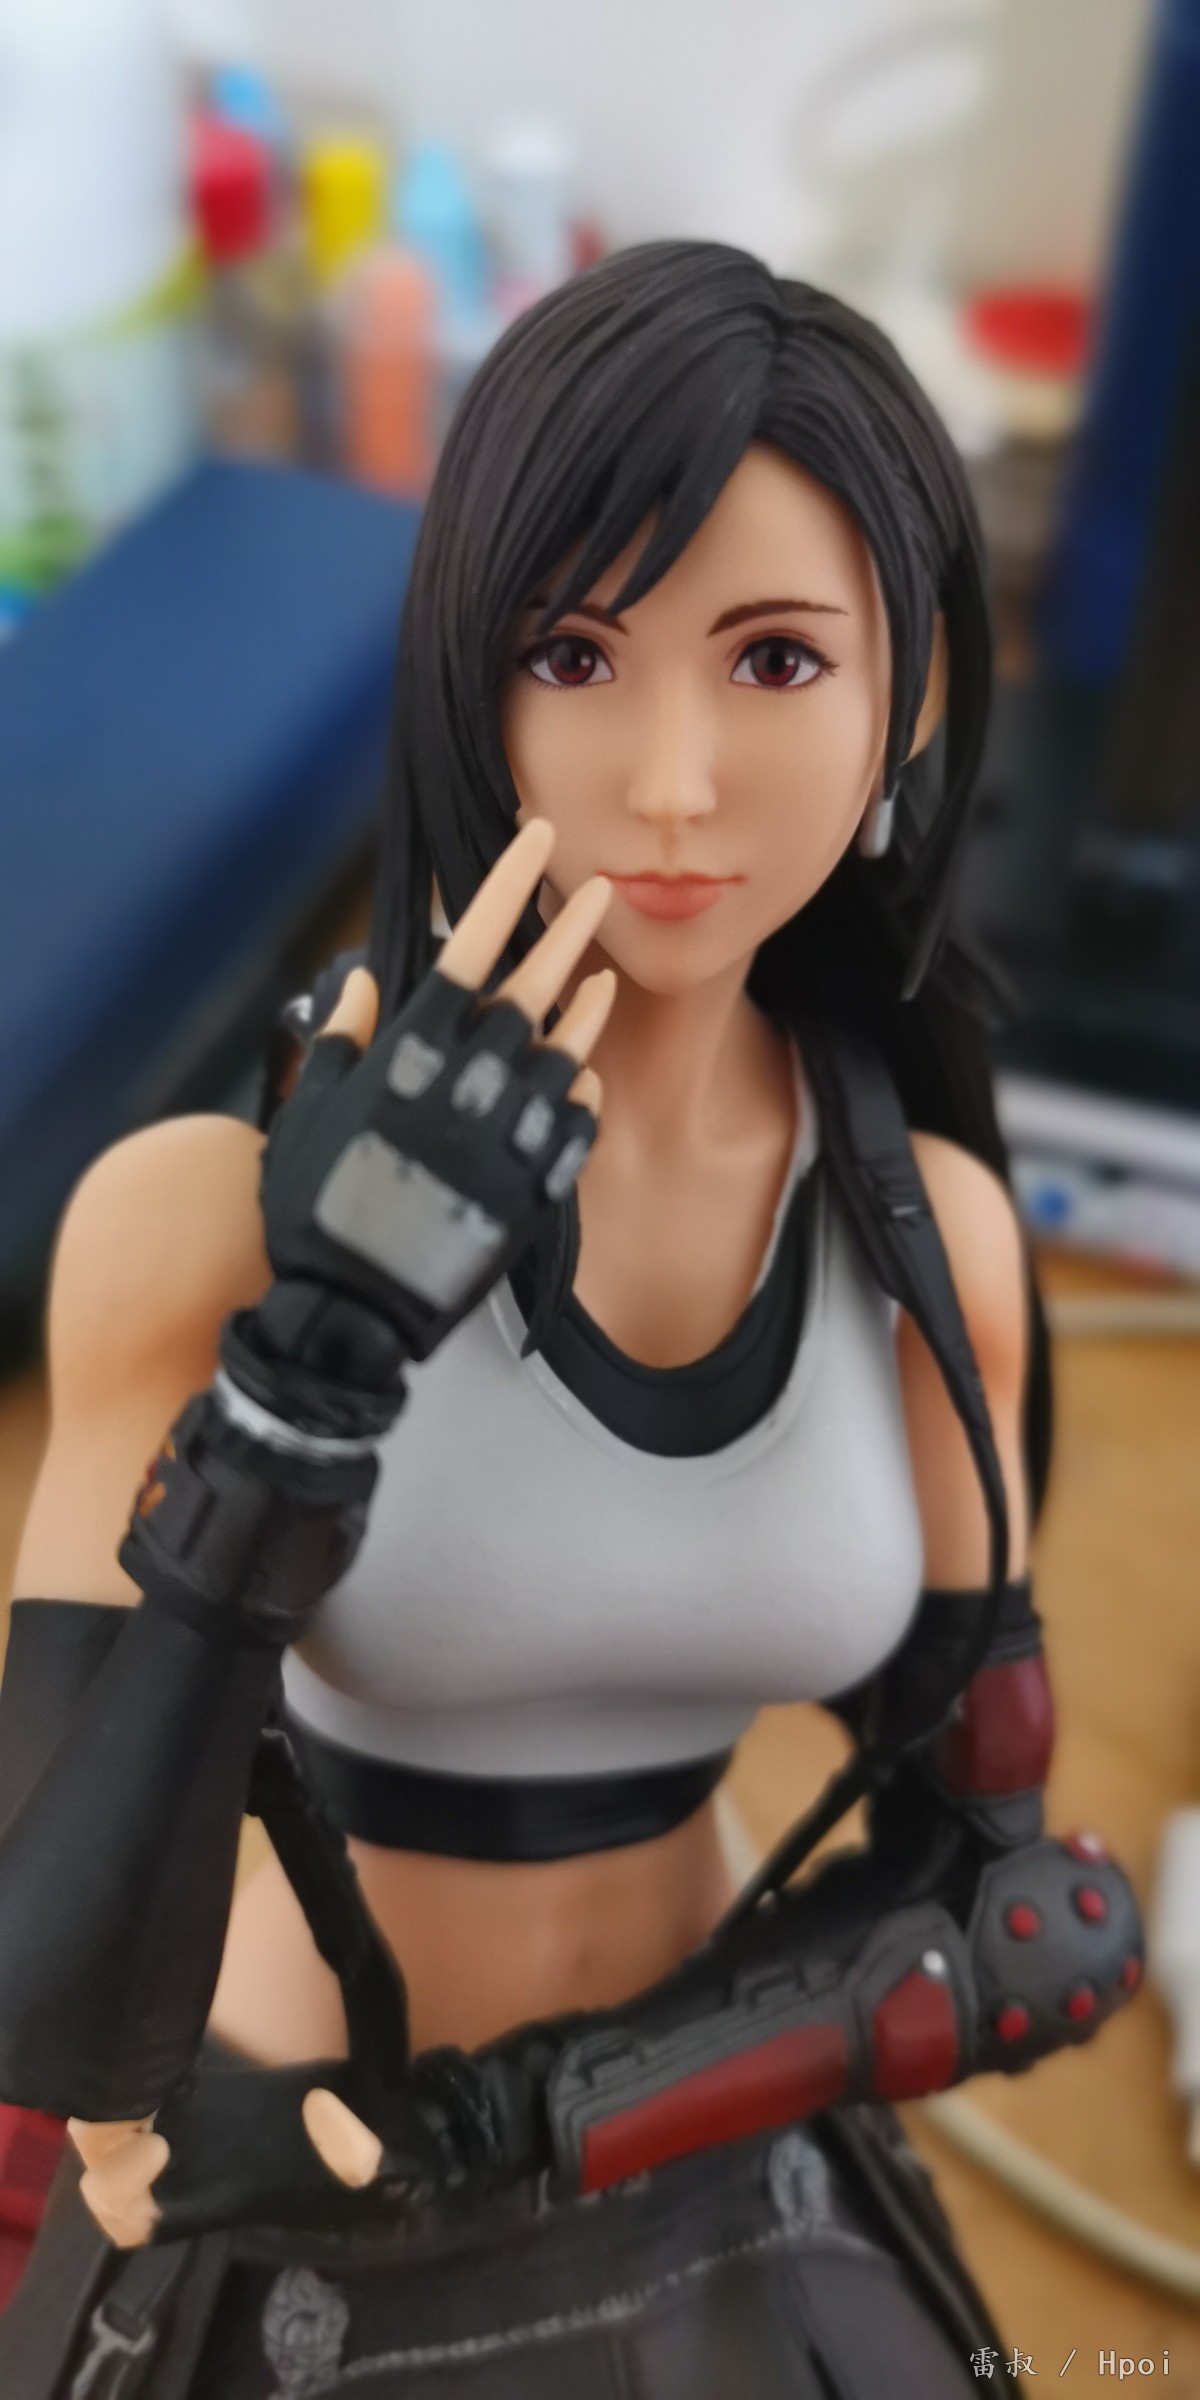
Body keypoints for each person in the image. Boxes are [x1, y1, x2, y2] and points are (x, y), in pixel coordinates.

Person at [0, 242, 1140, 2397]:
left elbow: (1008, 1904)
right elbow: (51, 2010)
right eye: (577, 652)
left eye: (776, 659)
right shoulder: (194, 1224)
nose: (676, 780)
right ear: (466, 682)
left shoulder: (934, 1248)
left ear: (909, 704)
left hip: (709, 2124)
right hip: (275, 2152)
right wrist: (308, 1368)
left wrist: (534, 2120)